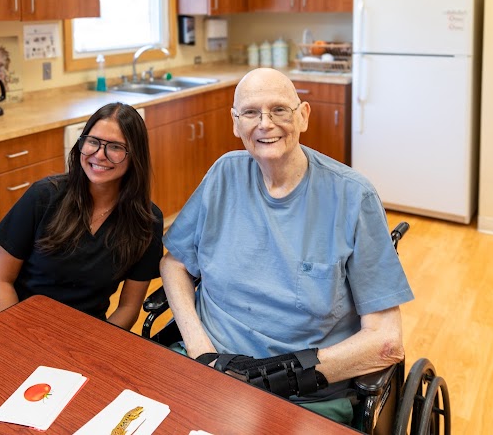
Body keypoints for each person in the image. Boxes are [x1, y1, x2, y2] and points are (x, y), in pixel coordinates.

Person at [159, 68, 414, 423]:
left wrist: (273, 377)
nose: (265, 124)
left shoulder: (352, 196)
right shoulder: (223, 175)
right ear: (235, 123)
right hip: (204, 369)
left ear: (304, 115)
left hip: (303, 396)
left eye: (280, 109)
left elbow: (386, 341)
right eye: (251, 112)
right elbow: (174, 264)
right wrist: (202, 354)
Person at [0, 102, 163, 330]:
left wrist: (95, 348)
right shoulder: (43, 196)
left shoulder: (146, 222)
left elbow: (128, 309)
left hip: (79, 334)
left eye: (115, 147)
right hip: (8, 321)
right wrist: (20, 337)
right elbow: (1, 281)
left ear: (135, 156)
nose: (99, 155)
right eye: (92, 142)